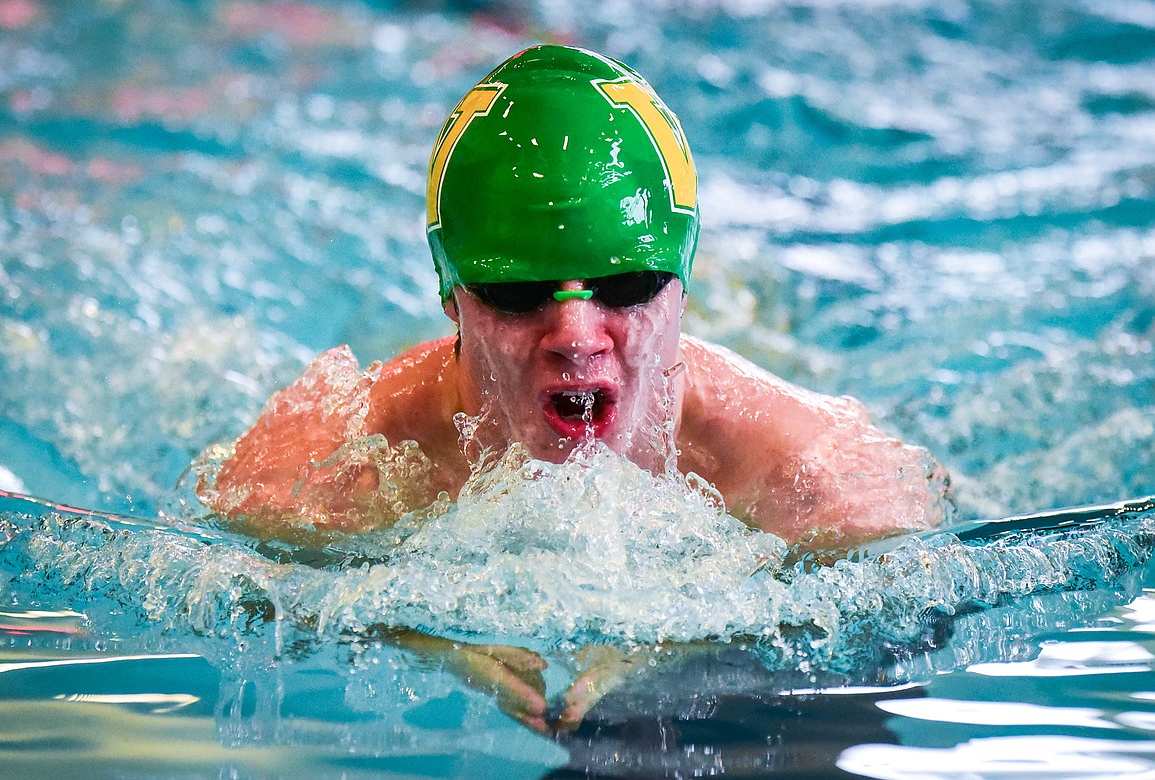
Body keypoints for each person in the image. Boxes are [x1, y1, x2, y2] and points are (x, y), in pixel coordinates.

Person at [201, 43, 951, 732]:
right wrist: (416, 633)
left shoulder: (815, 474)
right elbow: (227, 587)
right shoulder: (329, 461)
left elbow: (911, 615)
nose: (577, 337)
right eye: (520, 294)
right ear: (451, 297)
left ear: (679, 290)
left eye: (628, 284)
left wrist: (690, 645)